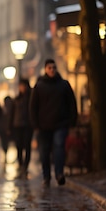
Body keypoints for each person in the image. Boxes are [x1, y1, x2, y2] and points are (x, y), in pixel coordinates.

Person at [30, 59, 78, 187]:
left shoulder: (64, 85)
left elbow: (72, 104)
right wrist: (35, 125)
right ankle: (46, 176)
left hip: (60, 124)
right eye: (49, 68)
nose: (52, 70)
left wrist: (72, 121)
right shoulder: (39, 86)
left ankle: (59, 173)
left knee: (59, 148)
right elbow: (33, 107)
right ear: (45, 69)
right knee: (44, 152)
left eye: (54, 67)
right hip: (43, 126)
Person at [9, 78, 33, 179]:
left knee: (27, 145)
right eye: (20, 86)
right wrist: (9, 126)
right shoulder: (17, 99)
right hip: (17, 125)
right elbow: (12, 113)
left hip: (28, 125)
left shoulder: (31, 97)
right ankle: (20, 162)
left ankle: (26, 164)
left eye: (23, 86)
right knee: (18, 145)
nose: (22, 88)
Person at [0, 96, 14, 164]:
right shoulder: (4, 109)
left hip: (6, 129)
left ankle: (5, 154)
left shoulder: (6, 109)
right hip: (4, 129)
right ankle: (5, 154)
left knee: (5, 143)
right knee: (5, 143)